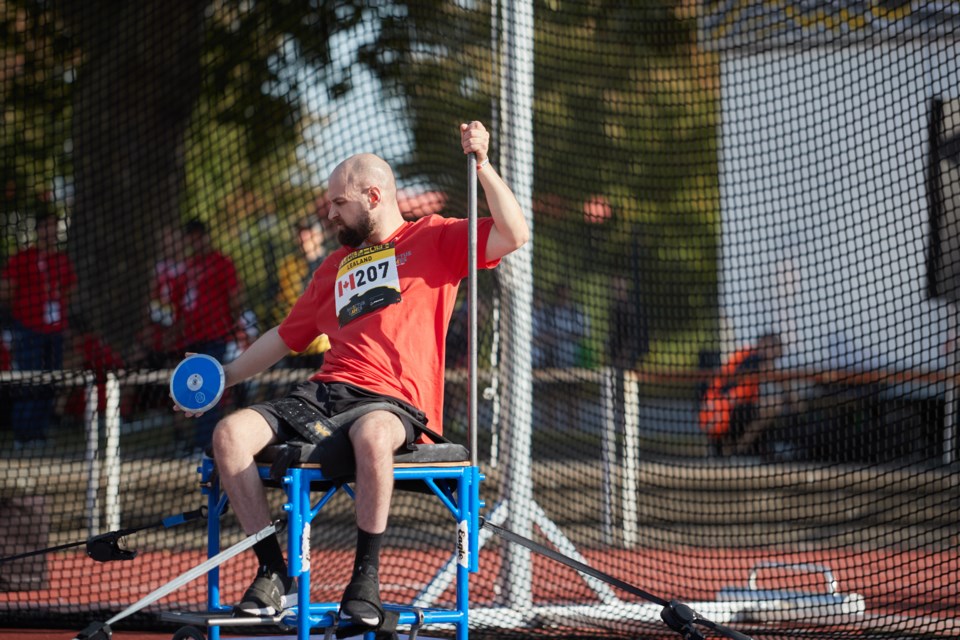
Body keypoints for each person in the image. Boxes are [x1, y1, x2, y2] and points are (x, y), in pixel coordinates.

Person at [177, 121, 528, 627]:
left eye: (338, 203)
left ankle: (365, 583)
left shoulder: (433, 238)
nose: (330, 213)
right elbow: (283, 337)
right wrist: (221, 380)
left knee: (372, 433)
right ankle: (273, 572)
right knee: (229, 434)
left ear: (373, 195)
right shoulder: (332, 268)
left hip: (392, 403)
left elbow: (514, 234)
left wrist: (483, 166)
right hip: (323, 395)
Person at [0, 213, 77, 448]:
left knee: (50, 379)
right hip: (29, 328)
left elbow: (69, 290)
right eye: (47, 227)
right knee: (28, 378)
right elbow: (7, 290)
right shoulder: (23, 258)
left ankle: (39, 431)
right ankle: (23, 433)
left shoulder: (61, 260)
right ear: (39, 230)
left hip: (54, 329)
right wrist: (23, 314)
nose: (51, 233)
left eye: (54, 228)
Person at [179, 218, 243, 451]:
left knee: (210, 388)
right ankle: (198, 441)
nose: (194, 242)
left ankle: (207, 443)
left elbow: (235, 297)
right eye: (190, 238)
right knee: (191, 387)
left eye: (197, 236)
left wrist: (233, 325)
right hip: (193, 337)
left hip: (217, 336)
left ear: (206, 236)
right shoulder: (188, 266)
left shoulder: (221, 263)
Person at [698, 332, 789, 457]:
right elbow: (780, 381)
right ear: (764, 343)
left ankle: (735, 449)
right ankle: (738, 449)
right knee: (772, 407)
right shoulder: (754, 357)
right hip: (726, 412)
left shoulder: (747, 355)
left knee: (769, 405)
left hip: (723, 410)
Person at [275, 217, 330, 370]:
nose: (303, 238)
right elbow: (283, 298)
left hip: (324, 345)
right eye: (301, 233)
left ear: (320, 236)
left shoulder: (332, 263)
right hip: (294, 343)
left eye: (308, 233)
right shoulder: (288, 265)